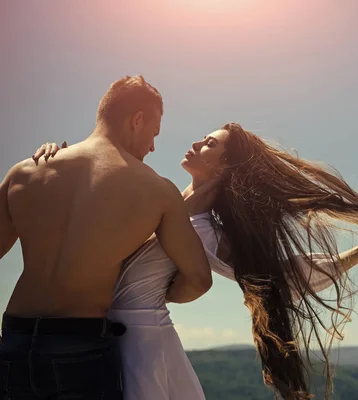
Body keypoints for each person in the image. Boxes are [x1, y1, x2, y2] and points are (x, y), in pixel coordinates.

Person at [34, 123, 358, 400]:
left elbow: (283, 279)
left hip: (141, 344)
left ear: (226, 166)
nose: (196, 143)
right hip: (115, 336)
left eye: (209, 144)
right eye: (203, 138)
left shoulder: (203, 229)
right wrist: (62, 160)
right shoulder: (168, 201)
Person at [0, 76, 213, 400]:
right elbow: (199, 280)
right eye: (153, 134)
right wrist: (151, 299)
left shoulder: (25, 172)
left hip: (14, 338)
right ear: (137, 119)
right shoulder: (157, 191)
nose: (153, 146)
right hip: (81, 346)